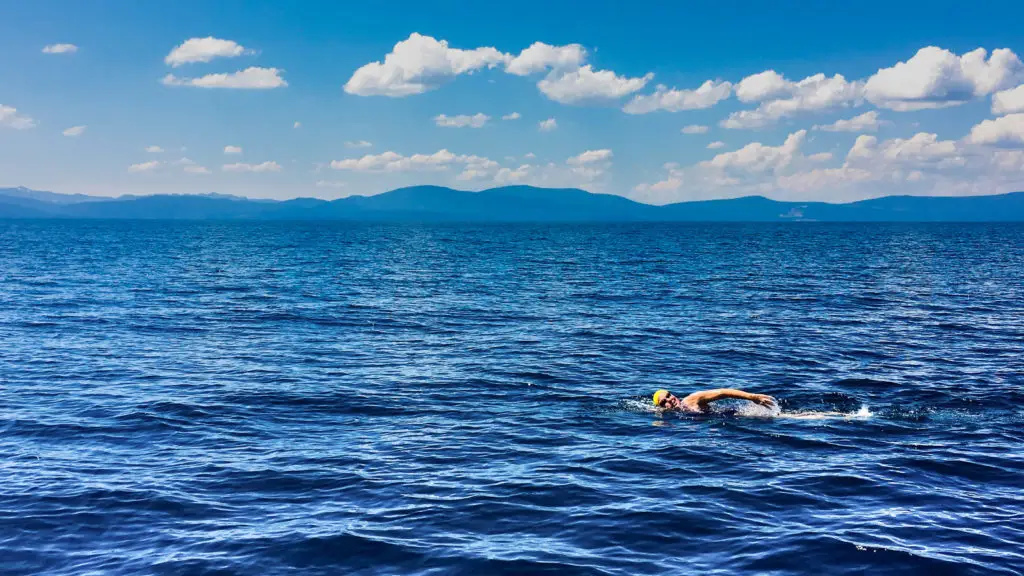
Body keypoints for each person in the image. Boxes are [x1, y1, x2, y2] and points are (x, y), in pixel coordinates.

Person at [653, 388, 777, 414]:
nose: (671, 399)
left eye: (669, 395)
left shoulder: (691, 400)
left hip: (733, 414)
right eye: (665, 402)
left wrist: (752, 397)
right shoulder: (672, 414)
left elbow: (722, 392)